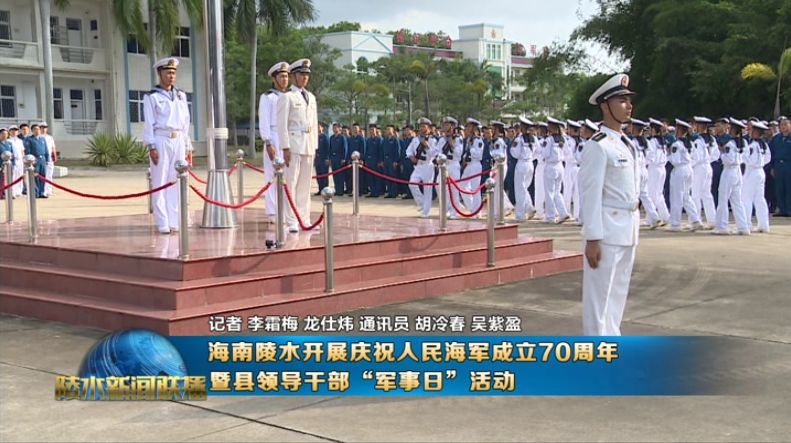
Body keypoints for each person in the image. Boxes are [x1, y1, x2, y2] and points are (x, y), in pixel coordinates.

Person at [579, 73, 640, 336]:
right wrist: (592, 238)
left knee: (617, 296)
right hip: (606, 231)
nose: (628, 105)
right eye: (622, 100)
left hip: (628, 228)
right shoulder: (598, 146)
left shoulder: (626, 144)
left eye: (629, 100)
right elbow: (590, 194)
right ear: (605, 105)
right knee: (598, 300)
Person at [142, 58, 191, 234]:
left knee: (176, 181)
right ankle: (162, 221)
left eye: (173, 72)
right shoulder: (152, 96)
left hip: (178, 139)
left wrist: (187, 146)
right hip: (161, 139)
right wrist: (151, 146)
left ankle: (175, 219)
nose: (171, 76)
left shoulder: (180, 95)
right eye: (168, 72)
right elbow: (149, 123)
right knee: (160, 181)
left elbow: (186, 122)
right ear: (160, 73)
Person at [277, 58, 319, 233]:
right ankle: (291, 220)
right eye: (301, 74)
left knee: (305, 185)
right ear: (294, 75)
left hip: (308, 144)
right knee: (291, 183)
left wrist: (315, 146)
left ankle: (304, 218)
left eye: (307, 75)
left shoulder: (311, 97)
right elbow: (282, 124)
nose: (304, 78)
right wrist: (285, 147)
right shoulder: (288, 97)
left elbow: (314, 123)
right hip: (294, 144)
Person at [258, 61, 290, 222]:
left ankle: (286, 210)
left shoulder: (290, 96)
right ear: (274, 79)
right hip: (273, 135)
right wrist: (268, 142)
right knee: (272, 175)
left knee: (287, 176)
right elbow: (263, 121)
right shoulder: (268, 97)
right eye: (281, 76)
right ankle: (272, 212)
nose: (285, 79)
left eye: (286, 76)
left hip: (287, 137)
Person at [713, 118, 751, 235]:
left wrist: (722, 153)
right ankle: (743, 226)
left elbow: (728, 159)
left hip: (729, 171)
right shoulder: (743, 142)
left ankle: (722, 226)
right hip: (738, 171)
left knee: (723, 199)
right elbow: (746, 157)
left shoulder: (730, 144)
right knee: (736, 200)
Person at [667, 119, 703, 231]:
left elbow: (675, 160)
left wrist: (668, 154)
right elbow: (696, 157)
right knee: (686, 196)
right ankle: (695, 219)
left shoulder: (676, 144)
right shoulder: (690, 143)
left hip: (679, 170)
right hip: (689, 169)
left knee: (676, 197)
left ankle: (675, 224)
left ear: (679, 130)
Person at [742, 121, 771, 233]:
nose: (750, 131)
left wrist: (744, 157)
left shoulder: (753, 145)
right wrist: (761, 163)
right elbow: (768, 158)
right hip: (760, 171)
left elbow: (750, 160)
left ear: (756, 132)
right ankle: (763, 224)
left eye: (752, 130)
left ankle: (747, 224)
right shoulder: (764, 144)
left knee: (747, 198)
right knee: (759, 199)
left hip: (752, 172)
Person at [406, 117, 438, 218]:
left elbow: (434, 153)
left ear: (428, 128)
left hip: (428, 165)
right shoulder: (415, 139)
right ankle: (421, 203)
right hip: (418, 165)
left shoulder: (433, 140)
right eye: (420, 126)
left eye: (424, 126)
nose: (422, 128)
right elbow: (409, 151)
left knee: (427, 189)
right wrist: (411, 157)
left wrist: (427, 146)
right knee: (412, 184)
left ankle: (426, 212)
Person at [691, 116, 718, 228]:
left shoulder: (697, 140)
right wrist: (708, 160)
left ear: (699, 126)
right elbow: (716, 155)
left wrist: (690, 164)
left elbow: (696, 157)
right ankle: (712, 220)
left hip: (699, 167)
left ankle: (697, 220)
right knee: (707, 194)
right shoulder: (711, 139)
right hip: (708, 166)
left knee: (696, 194)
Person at [542, 117, 570, 224]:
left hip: (551, 166)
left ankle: (550, 216)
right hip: (560, 166)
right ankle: (563, 213)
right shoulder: (563, 139)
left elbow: (545, 154)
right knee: (557, 192)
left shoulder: (548, 140)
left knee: (550, 192)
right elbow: (567, 153)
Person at [510, 117, 536, 222]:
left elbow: (515, 153)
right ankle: (529, 208)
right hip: (530, 163)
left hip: (522, 164)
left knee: (520, 189)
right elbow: (538, 152)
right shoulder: (534, 138)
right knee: (524, 188)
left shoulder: (519, 139)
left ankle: (520, 214)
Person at [437, 117, 463, 219]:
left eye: (447, 125)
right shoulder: (441, 139)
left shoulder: (458, 138)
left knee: (453, 189)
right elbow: (438, 152)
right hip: (444, 165)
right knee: (439, 187)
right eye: (444, 124)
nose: (444, 126)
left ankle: (454, 212)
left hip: (453, 164)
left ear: (452, 126)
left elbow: (459, 154)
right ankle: (446, 208)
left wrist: (452, 144)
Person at [460, 118, 485, 214]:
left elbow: (479, 154)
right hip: (469, 164)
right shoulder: (469, 140)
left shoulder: (478, 140)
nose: (467, 128)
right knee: (462, 185)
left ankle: (477, 211)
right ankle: (471, 207)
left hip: (475, 164)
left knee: (475, 188)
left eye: (469, 126)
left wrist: (471, 149)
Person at [770, 116, 791, 217]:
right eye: (781, 125)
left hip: (789, 165)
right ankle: (781, 209)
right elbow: (771, 153)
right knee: (779, 188)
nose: (783, 127)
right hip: (778, 165)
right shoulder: (776, 138)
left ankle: (789, 209)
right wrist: (772, 167)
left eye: (785, 124)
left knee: (789, 188)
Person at [23, 123, 49, 198]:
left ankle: (42, 192)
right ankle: (36, 192)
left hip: (42, 159)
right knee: (36, 176)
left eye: (38, 129)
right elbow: (28, 150)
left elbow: (46, 149)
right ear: (32, 131)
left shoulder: (42, 139)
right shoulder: (29, 139)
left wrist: (47, 159)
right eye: (35, 129)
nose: (37, 131)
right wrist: (31, 160)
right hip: (35, 160)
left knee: (43, 176)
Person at [381, 125, 401, 199]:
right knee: (387, 176)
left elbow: (397, 151)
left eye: (389, 129)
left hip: (392, 161)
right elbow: (382, 151)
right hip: (386, 161)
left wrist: (396, 160)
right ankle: (389, 192)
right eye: (387, 129)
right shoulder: (385, 140)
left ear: (392, 131)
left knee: (393, 177)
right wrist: (382, 160)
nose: (388, 131)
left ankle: (394, 192)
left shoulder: (395, 139)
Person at [328, 123, 348, 196]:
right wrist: (329, 158)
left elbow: (344, 148)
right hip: (333, 158)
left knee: (340, 175)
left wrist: (343, 158)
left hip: (340, 158)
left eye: (336, 128)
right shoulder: (331, 138)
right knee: (335, 175)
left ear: (339, 128)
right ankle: (337, 189)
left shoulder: (342, 137)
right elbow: (330, 149)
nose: (334, 129)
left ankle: (341, 190)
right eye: (333, 128)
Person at [364, 124, 382, 197]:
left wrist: (380, 161)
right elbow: (366, 151)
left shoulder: (379, 139)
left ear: (376, 130)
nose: (371, 131)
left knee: (377, 177)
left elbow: (381, 151)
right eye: (370, 130)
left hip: (376, 161)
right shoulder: (368, 140)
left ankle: (377, 192)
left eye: (373, 130)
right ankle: (372, 191)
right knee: (370, 178)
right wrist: (366, 160)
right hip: (369, 161)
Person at [7, 125, 24, 198]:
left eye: (16, 130)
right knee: (13, 177)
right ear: (9, 132)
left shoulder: (20, 141)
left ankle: (19, 191)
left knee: (20, 176)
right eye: (12, 130)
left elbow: (22, 151)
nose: (14, 132)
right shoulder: (8, 141)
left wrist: (23, 159)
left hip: (20, 160)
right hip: (13, 160)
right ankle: (12, 192)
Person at [40, 122, 56, 197]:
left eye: (45, 127)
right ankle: (43, 190)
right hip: (42, 158)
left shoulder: (50, 137)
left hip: (49, 158)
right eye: (42, 127)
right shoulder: (38, 137)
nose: (43, 129)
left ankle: (49, 190)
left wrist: (54, 155)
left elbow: (53, 147)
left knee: (49, 174)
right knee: (42, 175)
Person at [315, 122, 330, 195]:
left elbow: (328, 148)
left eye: (319, 127)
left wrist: (327, 158)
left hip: (324, 158)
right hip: (317, 159)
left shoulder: (325, 137)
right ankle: (320, 189)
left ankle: (325, 190)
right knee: (318, 175)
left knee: (324, 175)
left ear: (322, 128)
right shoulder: (315, 136)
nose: (318, 128)